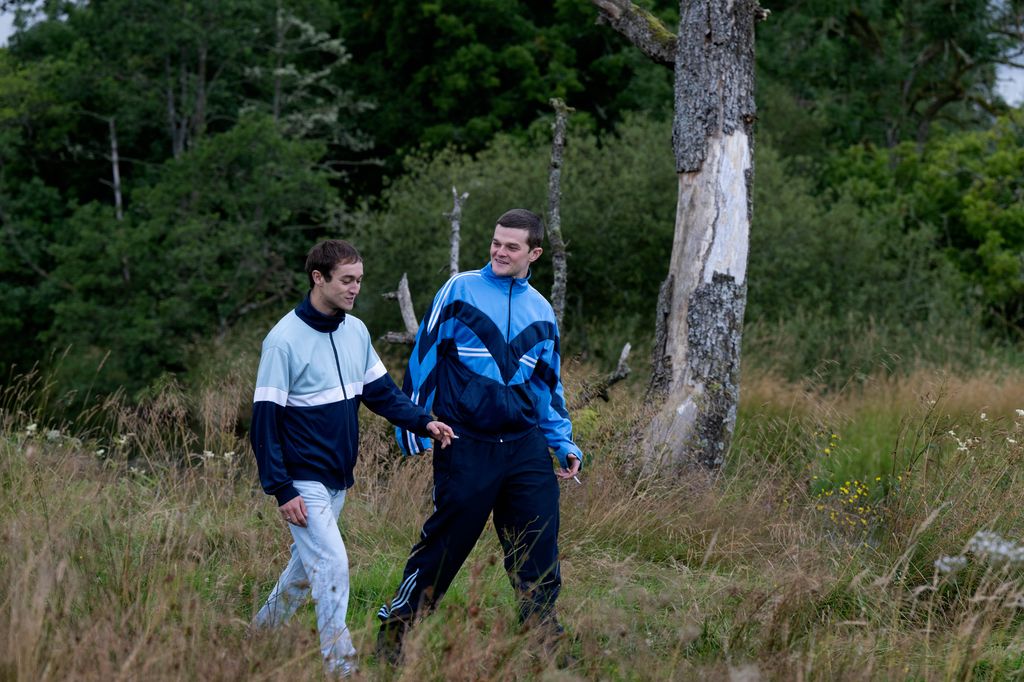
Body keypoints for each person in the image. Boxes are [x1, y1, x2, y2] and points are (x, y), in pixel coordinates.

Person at [377, 208, 583, 661]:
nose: (499, 252)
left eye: (511, 246)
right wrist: (414, 428)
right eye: (496, 242)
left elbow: (548, 385)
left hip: (526, 445)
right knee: (446, 545)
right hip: (465, 440)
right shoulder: (460, 289)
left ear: (534, 253)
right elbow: (424, 358)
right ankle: (395, 634)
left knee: (538, 543)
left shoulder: (542, 310)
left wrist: (562, 440)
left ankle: (542, 639)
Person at [249, 239, 454, 678]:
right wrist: (281, 488)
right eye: (346, 280)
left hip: (338, 478)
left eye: (358, 280)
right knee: (333, 564)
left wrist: (424, 422)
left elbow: (380, 393)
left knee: (304, 572)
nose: (354, 288)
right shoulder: (282, 341)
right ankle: (343, 668)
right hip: (302, 480)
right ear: (317, 278)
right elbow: (263, 424)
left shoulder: (355, 331)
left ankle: (258, 639)